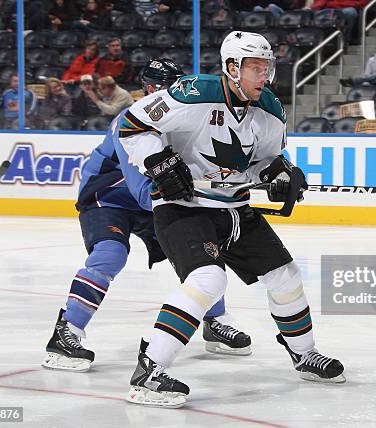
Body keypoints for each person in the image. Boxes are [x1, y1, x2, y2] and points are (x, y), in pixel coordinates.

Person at [118, 31, 345, 408]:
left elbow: (267, 161)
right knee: (208, 278)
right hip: (184, 210)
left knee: (285, 276)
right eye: (255, 68)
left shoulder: (270, 108)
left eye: (267, 68)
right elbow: (133, 127)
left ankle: (304, 354)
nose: (264, 76)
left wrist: (281, 174)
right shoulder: (191, 93)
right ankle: (148, 371)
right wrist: (157, 161)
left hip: (236, 210)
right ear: (231, 67)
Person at [43, 57, 252, 373]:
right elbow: (142, 188)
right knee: (109, 255)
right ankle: (67, 330)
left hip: (151, 200)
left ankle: (214, 320)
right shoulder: (130, 121)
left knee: (200, 253)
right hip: (109, 199)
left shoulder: (184, 119)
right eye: (169, 89)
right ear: (151, 89)